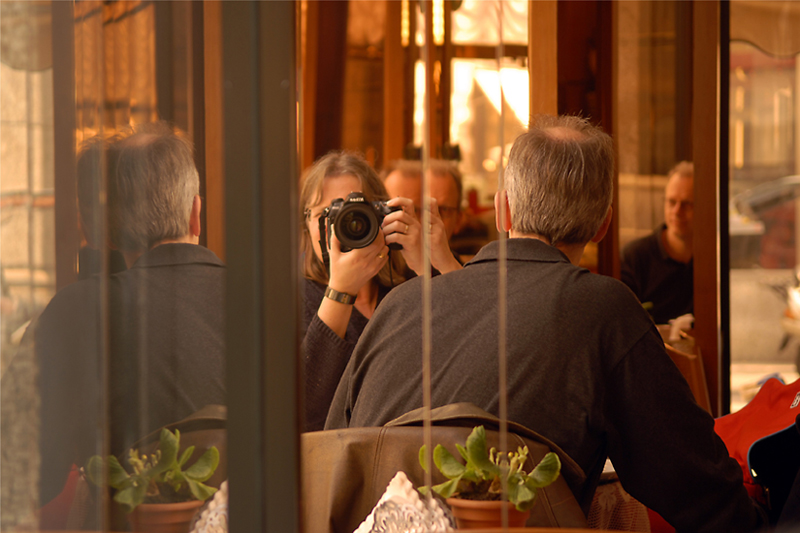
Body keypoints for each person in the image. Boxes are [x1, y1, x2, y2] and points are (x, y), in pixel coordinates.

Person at [326, 116, 765, 532]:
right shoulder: (604, 311)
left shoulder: (399, 306)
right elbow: (692, 483)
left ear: (503, 212)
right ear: (603, 225)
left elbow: (333, 451)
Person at [30, 122, 226, 506]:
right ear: (195, 214)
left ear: (107, 233)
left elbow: (29, 473)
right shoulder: (263, 304)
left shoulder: (78, 311)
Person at [300, 152, 460, 432]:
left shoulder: (408, 288)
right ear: (307, 224)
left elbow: (469, 351)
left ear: (382, 213)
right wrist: (340, 291)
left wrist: (427, 265)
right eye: (328, 214)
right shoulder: (288, 299)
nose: (342, 226)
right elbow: (302, 409)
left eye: (354, 212)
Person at [621, 161, 694, 324]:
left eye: (687, 204)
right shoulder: (634, 257)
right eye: (671, 202)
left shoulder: (713, 259)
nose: (677, 211)